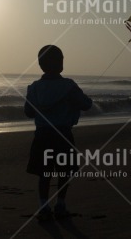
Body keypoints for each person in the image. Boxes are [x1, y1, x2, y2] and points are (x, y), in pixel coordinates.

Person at [24, 45, 92, 221]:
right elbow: (86, 105)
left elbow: (28, 112)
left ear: (40, 65)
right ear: (60, 63)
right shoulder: (69, 86)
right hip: (63, 134)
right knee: (65, 171)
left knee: (44, 173)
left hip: (42, 135)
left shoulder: (34, 88)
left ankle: (44, 206)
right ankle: (60, 204)